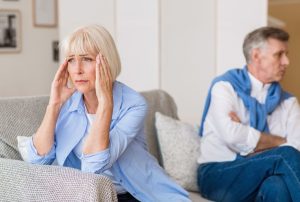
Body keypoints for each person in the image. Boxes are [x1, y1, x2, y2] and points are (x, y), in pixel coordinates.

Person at [17, 24, 190, 202]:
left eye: (86, 59)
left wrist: (105, 103)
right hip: (88, 194)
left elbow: (94, 165)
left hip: (135, 193)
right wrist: (54, 105)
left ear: (107, 62)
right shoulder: (67, 101)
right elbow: (36, 161)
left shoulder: (133, 105)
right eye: (71, 60)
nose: (77, 70)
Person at [197, 26, 300, 202]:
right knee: (285, 154)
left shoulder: (288, 102)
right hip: (218, 173)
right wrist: (279, 142)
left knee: (276, 185)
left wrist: (246, 133)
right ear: (256, 56)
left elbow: (298, 145)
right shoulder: (225, 87)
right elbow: (231, 135)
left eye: (286, 54)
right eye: (279, 54)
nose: (286, 62)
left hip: (261, 176)